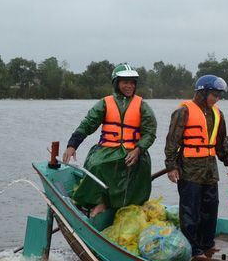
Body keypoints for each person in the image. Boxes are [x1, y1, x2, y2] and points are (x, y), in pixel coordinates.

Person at [62, 63, 157, 217]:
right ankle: (98, 203)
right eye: (125, 82)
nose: (129, 86)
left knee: (139, 167)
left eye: (132, 82)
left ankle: (122, 205)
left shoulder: (143, 106)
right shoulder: (105, 103)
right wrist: (72, 145)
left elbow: (150, 133)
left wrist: (138, 149)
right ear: (116, 83)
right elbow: (87, 124)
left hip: (133, 150)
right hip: (107, 149)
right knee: (97, 164)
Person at [164, 75, 228, 259]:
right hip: (189, 169)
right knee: (191, 210)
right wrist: (171, 166)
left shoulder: (218, 114)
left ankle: (207, 244)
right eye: (214, 94)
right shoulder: (183, 112)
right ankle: (192, 248)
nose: (217, 98)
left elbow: (221, 141)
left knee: (211, 207)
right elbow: (172, 142)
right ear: (202, 92)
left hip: (210, 170)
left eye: (220, 95)